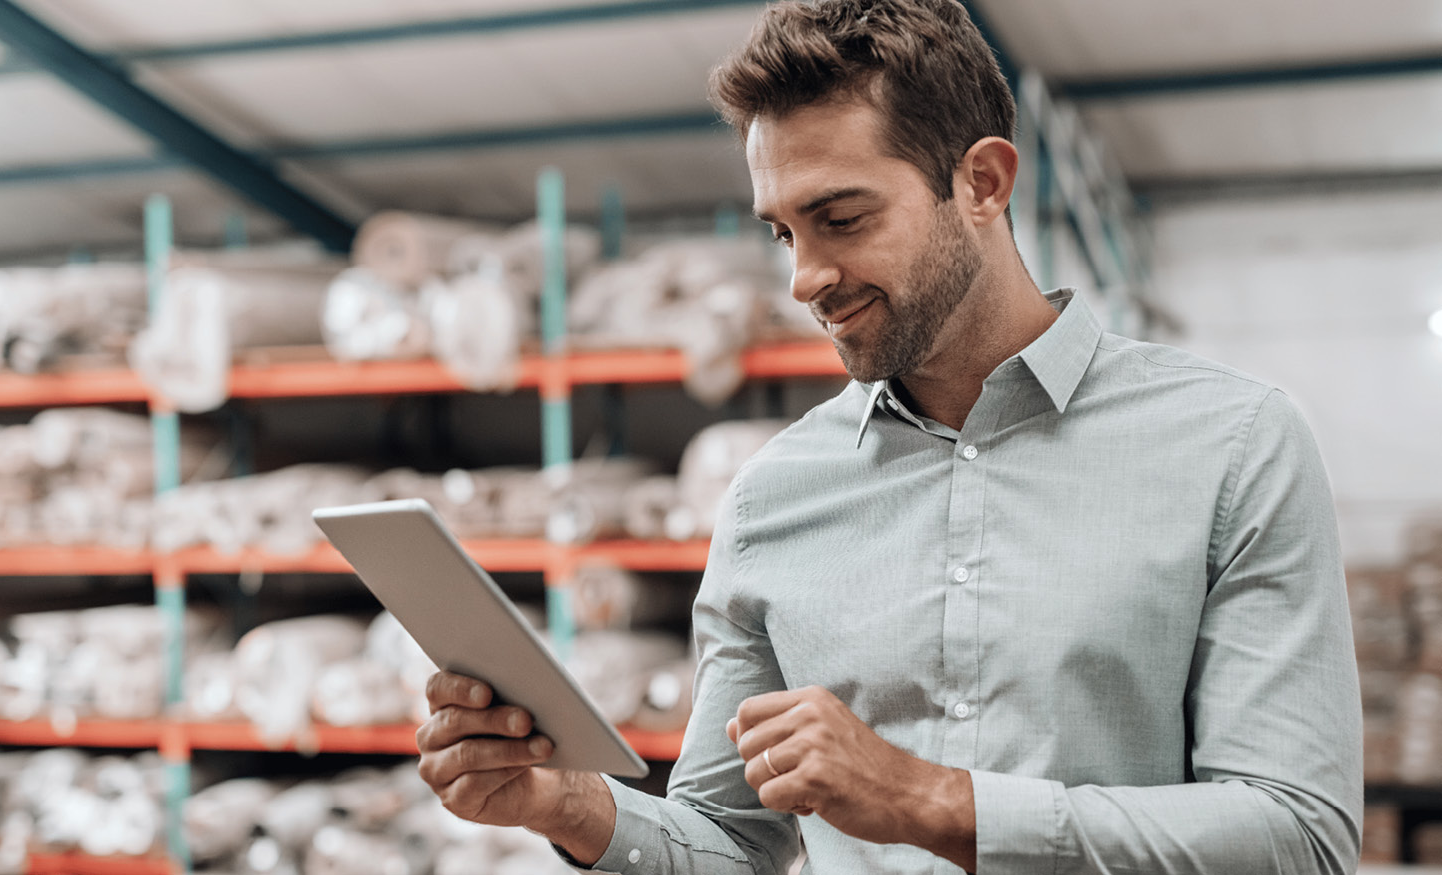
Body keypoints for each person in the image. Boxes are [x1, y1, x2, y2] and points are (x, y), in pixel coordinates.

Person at [415, 0, 1363, 872]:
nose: (805, 278)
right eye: (784, 233)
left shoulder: (1232, 446)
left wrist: (933, 801)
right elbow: (728, 846)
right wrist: (568, 803)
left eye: (841, 217)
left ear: (983, 182)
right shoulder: (774, 497)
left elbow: (1299, 833)